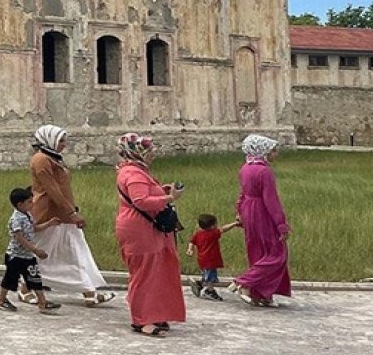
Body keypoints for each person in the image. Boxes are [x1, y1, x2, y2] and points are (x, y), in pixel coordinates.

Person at [24, 124, 115, 307]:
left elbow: (62, 189)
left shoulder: (54, 159)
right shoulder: (41, 160)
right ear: (49, 140)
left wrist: (71, 210)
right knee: (43, 253)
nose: (64, 144)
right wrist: (71, 212)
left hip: (63, 214)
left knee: (76, 252)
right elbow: (52, 189)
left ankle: (89, 292)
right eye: (61, 141)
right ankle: (24, 287)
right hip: (50, 215)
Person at [114, 133, 185, 338]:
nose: (153, 154)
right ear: (138, 152)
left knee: (158, 270)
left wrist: (162, 191)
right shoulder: (134, 173)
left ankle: (155, 314)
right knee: (145, 272)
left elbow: (144, 194)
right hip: (141, 228)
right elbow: (141, 201)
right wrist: (170, 197)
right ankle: (142, 319)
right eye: (149, 150)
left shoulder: (136, 171)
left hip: (147, 226)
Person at [230, 134, 292, 307]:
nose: (276, 153)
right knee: (276, 253)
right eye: (273, 150)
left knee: (257, 251)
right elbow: (271, 200)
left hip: (248, 210)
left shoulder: (245, 168)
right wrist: (281, 224)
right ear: (263, 151)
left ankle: (262, 294)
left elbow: (242, 193)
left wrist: (239, 211)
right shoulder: (264, 171)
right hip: (261, 211)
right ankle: (245, 282)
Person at [0, 187, 61, 314]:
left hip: (27, 256)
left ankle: (42, 302)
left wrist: (49, 224)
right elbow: (20, 239)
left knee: (35, 277)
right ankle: (1, 299)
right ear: (20, 204)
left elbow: (33, 228)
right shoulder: (16, 219)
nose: (32, 204)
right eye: (29, 202)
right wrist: (36, 250)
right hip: (15, 256)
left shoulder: (27, 215)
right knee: (10, 279)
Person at [185, 213, 241, 300]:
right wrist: (234, 224)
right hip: (211, 260)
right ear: (212, 226)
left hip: (202, 259)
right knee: (210, 277)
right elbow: (223, 229)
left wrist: (190, 249)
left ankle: (200, 284)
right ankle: (209, 291)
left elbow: (192, 241)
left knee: (207, 273)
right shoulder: (213, 233)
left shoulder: (198, 234)